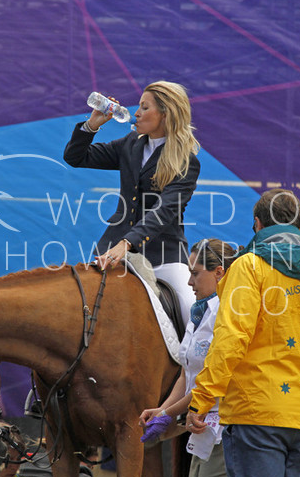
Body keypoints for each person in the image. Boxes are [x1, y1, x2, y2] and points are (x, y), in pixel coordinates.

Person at [186, 188, 300, 477]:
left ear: (257, 225)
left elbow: (230, 340)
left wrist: (202, 398)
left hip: (255, 415)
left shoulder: (248, 267)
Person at [63, 81, 201, 324]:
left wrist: (127, 244)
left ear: (165, 113)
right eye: (138, 106)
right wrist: (92, 124)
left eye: (144, 107)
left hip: (163, 255)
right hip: (112, 248)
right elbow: (76, 157)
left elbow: (164, 211)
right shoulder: (130, 144)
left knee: (190, 310)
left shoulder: (185, 162)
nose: (136, 113)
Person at [139, 238, 238, 477]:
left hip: (224, 429)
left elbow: (210, 379)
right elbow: (187, 372)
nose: (189, 282)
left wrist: (168, 414)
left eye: (195, 273)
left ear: (219, 273)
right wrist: (162, 408)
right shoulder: (198, 312)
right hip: (201, 429)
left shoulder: (227, 312)